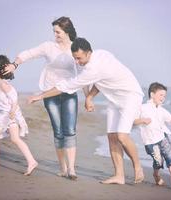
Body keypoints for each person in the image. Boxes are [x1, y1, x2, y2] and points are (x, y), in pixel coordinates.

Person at [28, 37, 145, 184]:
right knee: (112, 137)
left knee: (121, 136)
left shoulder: (92, 69)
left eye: (79, 58)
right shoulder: (102, 53)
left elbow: (66, 86)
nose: (77, 62)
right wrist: (89, 97)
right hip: (114, 99)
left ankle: (138, 166)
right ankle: (119, 176)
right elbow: (102, 81)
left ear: (89, 53)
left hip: (130, 96)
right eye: (74, 58)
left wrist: (40, 96)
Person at [4, 17, 78, 180]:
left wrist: (89, 97)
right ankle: (63, 168)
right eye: (54, 31)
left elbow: (83, 72)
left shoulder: (75, 48)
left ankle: (71, 169)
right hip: (49, 93)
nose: (55, 34)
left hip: (70, 93)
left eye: (58, 32)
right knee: (59, 131)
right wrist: (14, 64)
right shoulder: (48, 47)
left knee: (70, 131)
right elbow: (28, 54)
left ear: (67, 31)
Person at [0, 54, 38, 175]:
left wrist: (12, 111)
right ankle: (32, 161)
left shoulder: (2, 84)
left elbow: (14, 97)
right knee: (15, 138)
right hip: (10, 114)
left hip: (7, 114)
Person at [133, 82, 171, 189]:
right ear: (152, 95)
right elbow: (132, 121)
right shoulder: (142, 108)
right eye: (161, 95)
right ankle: (156, 174)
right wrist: (142, 120)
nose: (163, 98)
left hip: (162, 137)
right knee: (158, 161)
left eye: (164, 96)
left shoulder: (162, 110)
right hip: (150, 141)